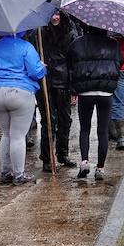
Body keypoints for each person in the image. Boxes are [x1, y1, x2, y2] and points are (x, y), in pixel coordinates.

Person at [0, 31, 47, 184]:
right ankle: (18, 174)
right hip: (21, 92)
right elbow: (35, 72)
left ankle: (5, 172)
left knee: (6, 134)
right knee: (18, 136)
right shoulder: (26, 47)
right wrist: (42, 67)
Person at [66, 24, 123, 183]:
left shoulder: (77, 43)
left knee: (85, 129)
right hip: (106, 92)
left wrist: (73, 90)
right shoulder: (113, 44)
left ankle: (84, 162)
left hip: (85, 92)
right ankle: (100, 168)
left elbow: (71, 66)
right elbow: (120, 63)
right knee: (102, 131)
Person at [37, 11, 77, 172]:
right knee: (48, 121)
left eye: (58, 14)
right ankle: (47, 158)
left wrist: (74, 88)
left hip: (64, 82)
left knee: (65, 120)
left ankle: (62, 153)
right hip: (45, 82)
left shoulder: (70, 32)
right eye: (52, 14)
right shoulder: (38, 32)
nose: (55, 17)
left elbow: (74, 61)